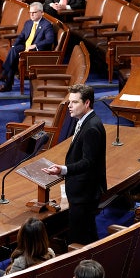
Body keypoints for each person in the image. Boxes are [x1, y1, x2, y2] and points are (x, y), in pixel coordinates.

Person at [42, 84, 107, 245]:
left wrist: (63, 169)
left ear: (87, 103)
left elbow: (88, 162)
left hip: (85, 193)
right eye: (69, 102)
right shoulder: (85, 121)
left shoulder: (91, 127)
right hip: (83, 191)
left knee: (79, 239)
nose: (69, 106)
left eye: (75, 102)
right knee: (88, 233)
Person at [0, 2, 54, 93]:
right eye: (30, 13)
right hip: (26, 47)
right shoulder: (28, 23)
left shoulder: (47, 25)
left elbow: (50, 40)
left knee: (14, 56)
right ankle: (6, 79)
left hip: (36, 52)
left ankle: (6, 80)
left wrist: (35, 45)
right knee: (14, 50)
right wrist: (15, 44)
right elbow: (21, 36)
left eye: (34, 12)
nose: (31, 15)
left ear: (41, 12)